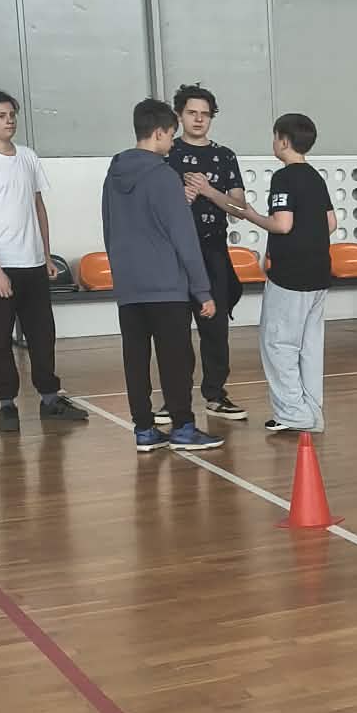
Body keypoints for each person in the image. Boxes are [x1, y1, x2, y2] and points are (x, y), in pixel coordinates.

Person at [100, 99, 223, 455]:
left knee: (135, 359)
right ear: (158, 133)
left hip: (129, 286)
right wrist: (203, 291)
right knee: (175, 360)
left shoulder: (113, 175)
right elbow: (184, 238)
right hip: (166, 286)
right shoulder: (164, 176)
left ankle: (144, 430)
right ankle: (183, 428)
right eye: (170, 135)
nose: (172, 142)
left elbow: (109, 229)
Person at [0, 89, 87, 435]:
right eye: (1, 116)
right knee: (0, 338)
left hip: (32, 264)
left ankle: (50, 399)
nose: (9, 121)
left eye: (12, 115)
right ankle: (7, 404)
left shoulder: (28, 157)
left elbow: (38, 208)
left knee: (42, 334)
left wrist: (45, 254)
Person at [240, 112, 337, 435]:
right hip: (319, 273)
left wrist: (252, 215)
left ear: (283, 141)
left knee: (279, 344)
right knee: (310, 346)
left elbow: (282, 224)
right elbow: (330, 223)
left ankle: (293, 414)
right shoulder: (315, 177)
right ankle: (311, 411)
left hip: (291, 275)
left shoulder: (284, 178)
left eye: (275, 137)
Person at [166, 82, 247, 424]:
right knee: (174, 330)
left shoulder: (225, 156)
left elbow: (239, 209)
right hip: (172, 255)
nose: (199, 119)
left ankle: (215, 394)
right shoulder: (165, 153)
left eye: (205, 114)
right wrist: (181, 199)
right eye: (192, 113)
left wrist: (208, 191)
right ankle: (175, 400)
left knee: (215, 328)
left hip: (213, 251)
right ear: (179, 116)